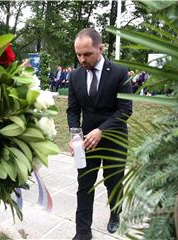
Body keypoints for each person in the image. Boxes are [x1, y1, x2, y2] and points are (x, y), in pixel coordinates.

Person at [67, 28, 132, 240]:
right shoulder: (74, 75)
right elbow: (73, 110)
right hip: (86, 141)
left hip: (115, 138)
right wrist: (76, 135)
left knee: (113, 182)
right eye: (78, 54)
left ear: (101, 48)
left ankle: (115, 214)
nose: (82, 59)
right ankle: (82, 232)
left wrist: (102, 130)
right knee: (84, 185)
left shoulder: (120, 72)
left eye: (87, 54)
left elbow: (125, 110)